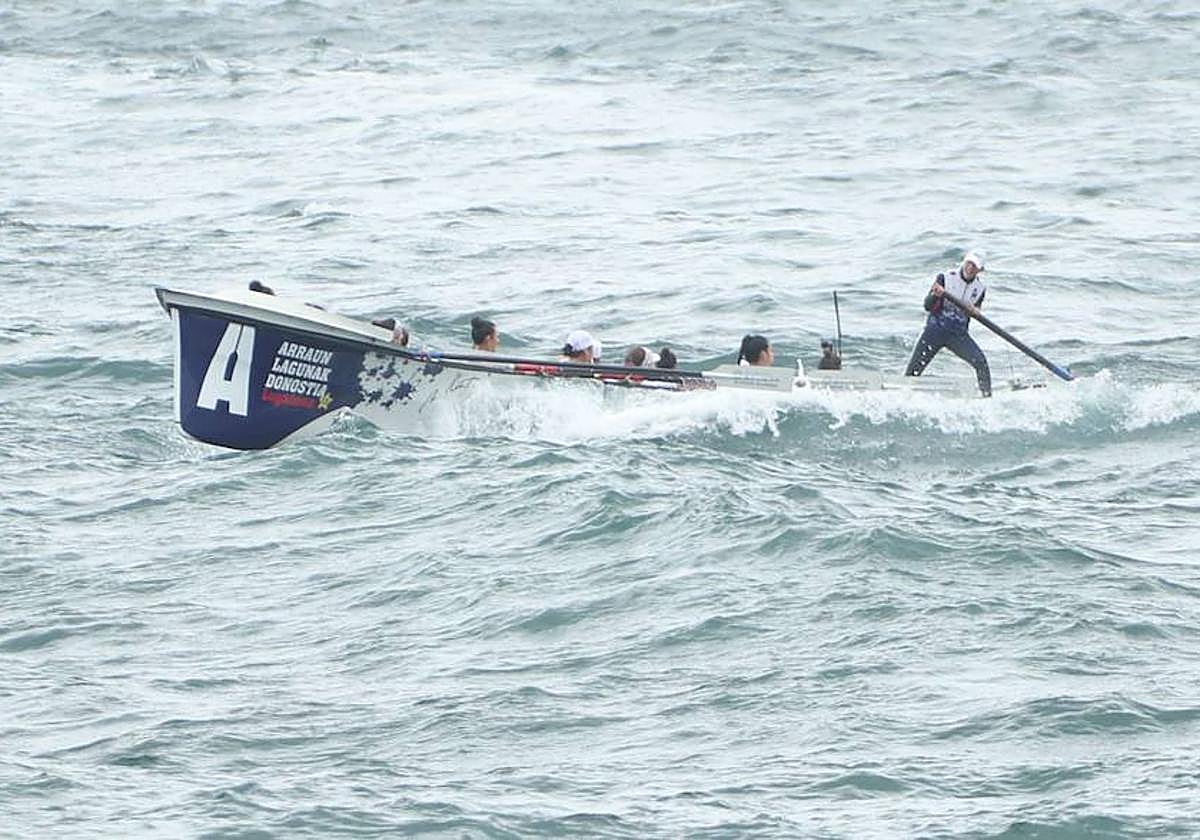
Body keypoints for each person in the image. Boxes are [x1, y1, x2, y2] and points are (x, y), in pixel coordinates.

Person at [903, 251, 991, 396]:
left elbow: (977, 310)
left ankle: (987, 397)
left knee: (981, 363)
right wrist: (934, 295)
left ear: (980, 270)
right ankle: (904, 393)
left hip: (958, 336)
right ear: (964, 262)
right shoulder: (945, 278)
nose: (970, 268)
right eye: (969, 263)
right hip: (935, 331)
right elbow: (927, 306)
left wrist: (975, 311)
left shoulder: (980, 289)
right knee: (913, 372)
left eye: (975, 267)